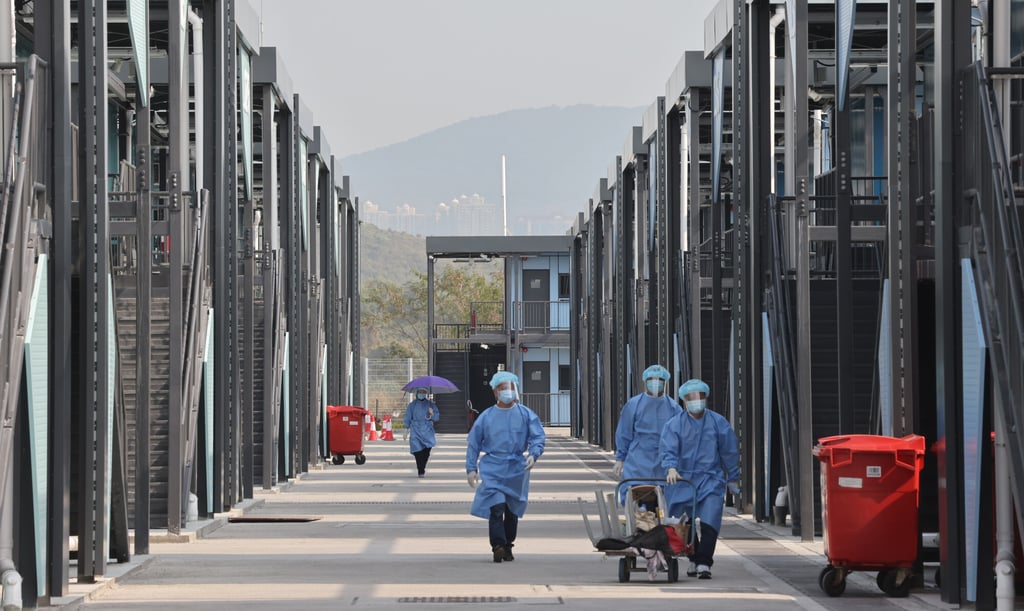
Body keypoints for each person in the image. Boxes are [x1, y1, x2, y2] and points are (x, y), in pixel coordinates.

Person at [660, 378, 740, 580]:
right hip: (682, 480)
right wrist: (670, 467)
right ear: (684, 400)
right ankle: (693, 557)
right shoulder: (675, 424)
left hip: (710, 479)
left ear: (705, 397)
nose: (696, 401)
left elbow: (729, 451)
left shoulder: (717, 422)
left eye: (700, 397)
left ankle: (704, 562)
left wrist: (733, 476)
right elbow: (668, 448)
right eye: (691, 397)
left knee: (710, 522)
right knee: (683, 523)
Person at [466, 371, 546, 563]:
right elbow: (474, 443)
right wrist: (471, 468)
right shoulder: (486, 417)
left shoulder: (525, 414)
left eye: (510, 387)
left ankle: (508, 544)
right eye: (502, 388)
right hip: (493, 468)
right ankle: (498, 545)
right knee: (496, 508)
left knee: (512, 511)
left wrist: (534, 455)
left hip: (517, 469)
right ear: (495, 392)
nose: (507, 392)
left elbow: (537, 436)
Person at [612, 364, 681, 500]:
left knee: (664, 501)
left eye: (659, 380)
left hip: (664, 461)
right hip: (638, 461)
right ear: (645, 381)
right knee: (635, 496)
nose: (655, 383)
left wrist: (674, 464)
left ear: (665, 382)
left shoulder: (673, 408)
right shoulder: (633, 405)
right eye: (651, 379)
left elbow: (680, 437)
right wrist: (620, 458)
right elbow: (624, 432)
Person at [403, 387, 439, 478]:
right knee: (417, 450)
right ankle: (420, 469)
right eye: (420, 392)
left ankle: (422, 466)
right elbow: (408, 416)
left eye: (423, 392)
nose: (421, 394)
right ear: (416, 393)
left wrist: (432, 414)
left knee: (427, 450)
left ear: (426, 393)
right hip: (415, 429)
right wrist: (406, 429)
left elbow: (436, 418)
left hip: (427, 429)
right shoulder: (412, 405)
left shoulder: (431, 405)